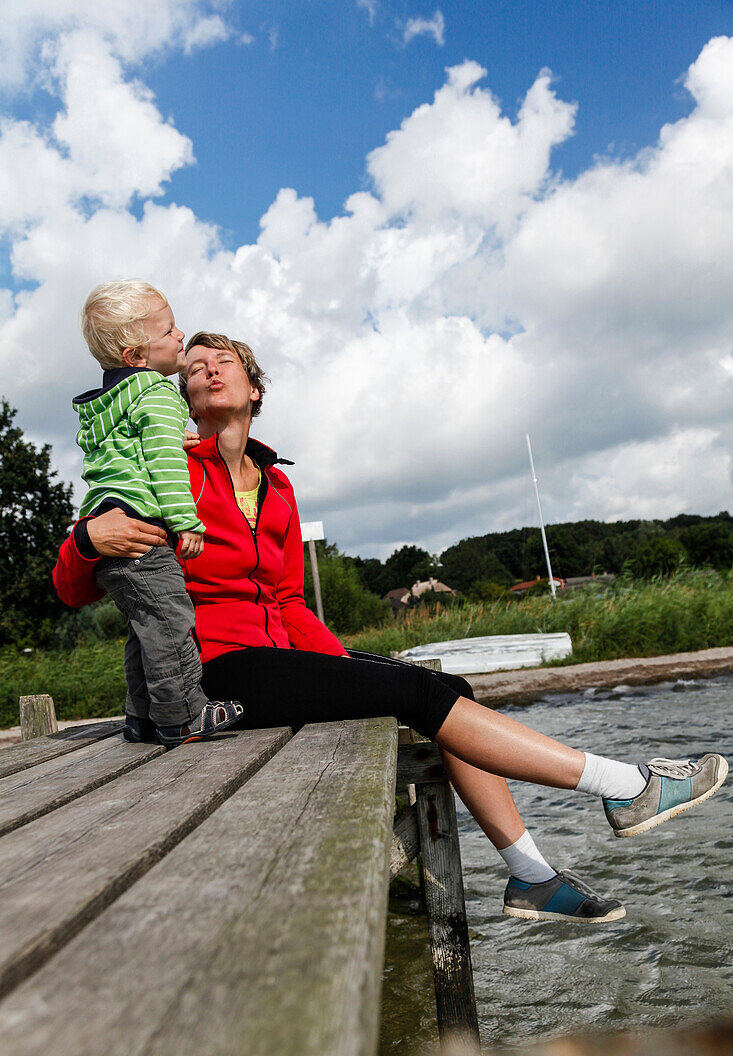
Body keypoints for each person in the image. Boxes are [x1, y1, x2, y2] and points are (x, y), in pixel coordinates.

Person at [54, 329, 728, 924]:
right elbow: (70, 586)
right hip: (213, 671)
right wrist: (89, 537)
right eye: (191, 365)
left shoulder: (277, 487)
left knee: (445, 687)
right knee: (416, 694)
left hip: (276, 658)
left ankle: (531, 877)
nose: (203, 369)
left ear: (253, 388)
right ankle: (625, 787)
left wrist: (348, 671)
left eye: (220, 359)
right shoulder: (165, 473)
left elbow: (290, 602)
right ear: (181, 399)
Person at [72, 283, 242, 747]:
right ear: (136, 355)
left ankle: (141, 716)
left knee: (143, 628)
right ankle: (184, 715)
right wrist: (186, 521)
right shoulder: (159, 394)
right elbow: (166, 467)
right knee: (170, 619)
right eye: (168, 330)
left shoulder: (106, 405)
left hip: (108, 527)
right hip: (143, 534)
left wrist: (166, 437)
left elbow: (131, 450)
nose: (180, 334)